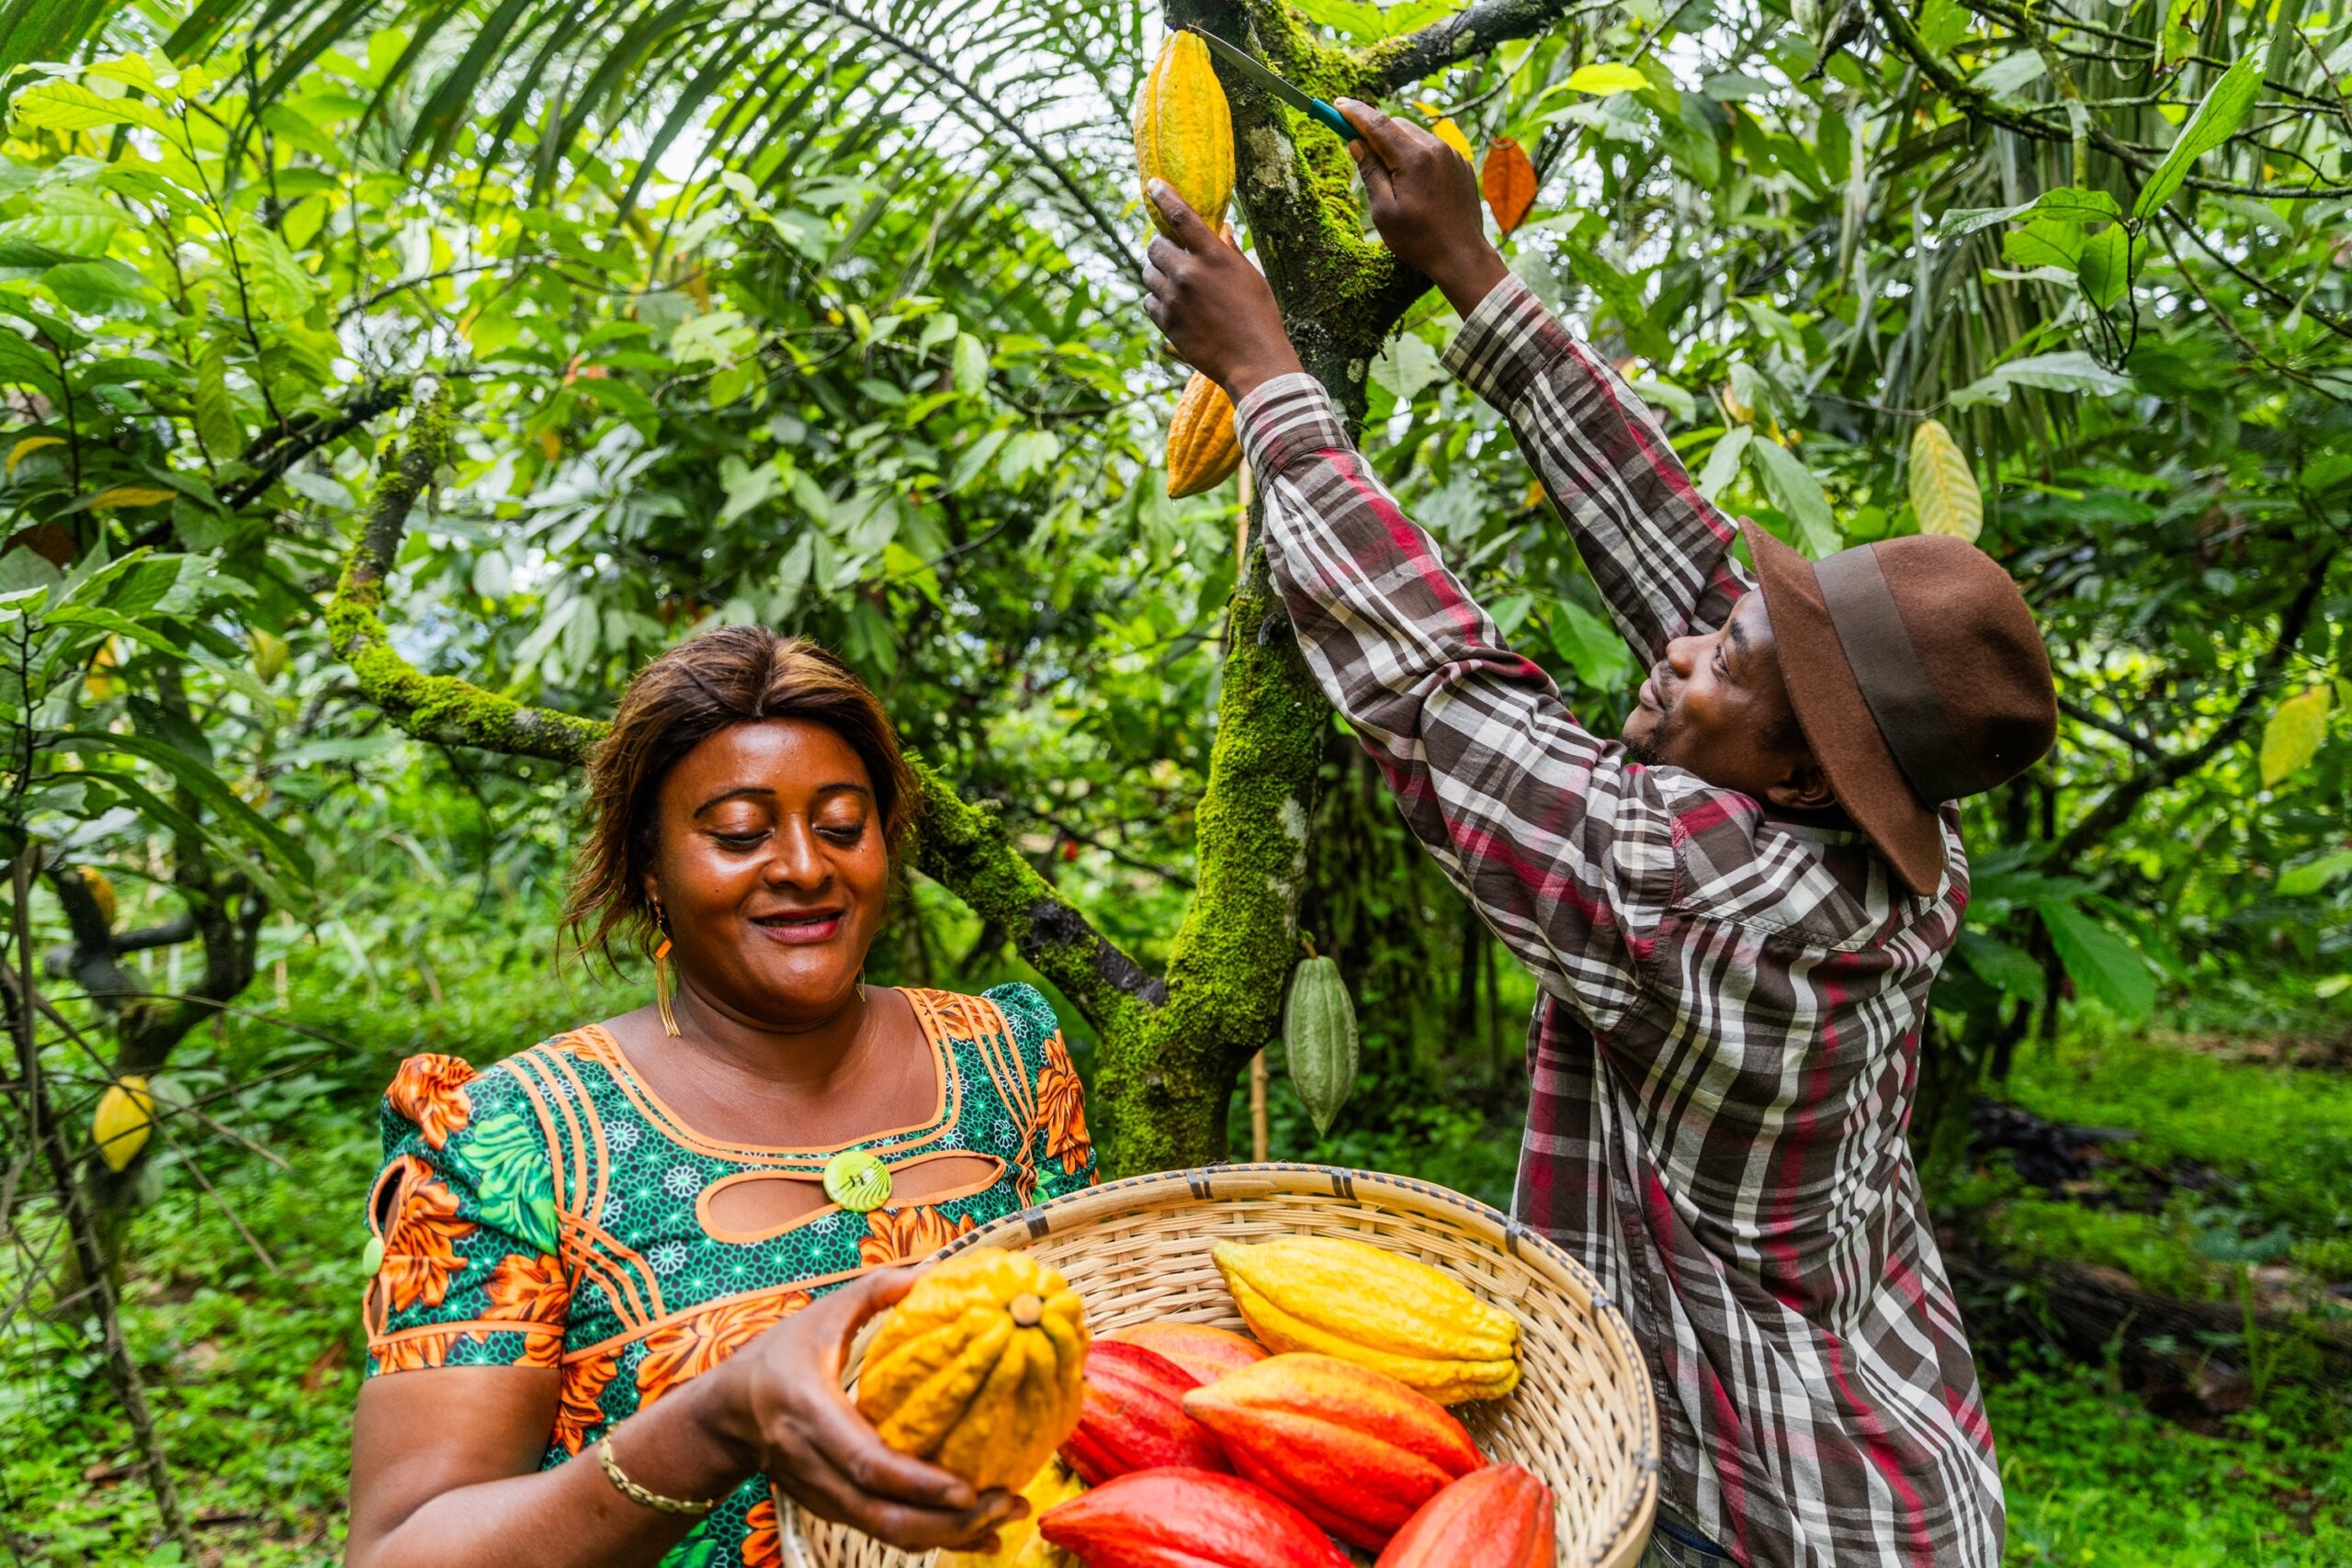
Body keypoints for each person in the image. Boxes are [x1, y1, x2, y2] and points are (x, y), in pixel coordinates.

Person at [1138, 101, 2055, 1568]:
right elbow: (1679, 549)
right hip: (1903, 1437)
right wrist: (1472, 273)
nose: (1685, 645)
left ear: (1809, 771)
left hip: (1763, 1508)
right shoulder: (1904, 830)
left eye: (1725, 663)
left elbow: (1437, 690)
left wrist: (1266, 377)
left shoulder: (1713, 891)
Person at [346, 626, 1096, 1568]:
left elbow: (1097, 1385)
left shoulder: (1009, 1059)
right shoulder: (511, 1138)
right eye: (740, 833)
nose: (803, 867)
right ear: (649, 870)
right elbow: (400, 1553)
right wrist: (714, 1424)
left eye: (840, 825)